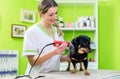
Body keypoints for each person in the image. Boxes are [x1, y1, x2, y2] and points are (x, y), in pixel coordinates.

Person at [22, 0, 70, 75]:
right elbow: (32, 62)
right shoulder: (32, 32)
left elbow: (57, 58)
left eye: (56, 13)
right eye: (51, 15)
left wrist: (66, 58)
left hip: (53, 75)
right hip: (36, 75)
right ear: (41, 14)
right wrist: (54, 52)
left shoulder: (57, 31)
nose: (55, 17)